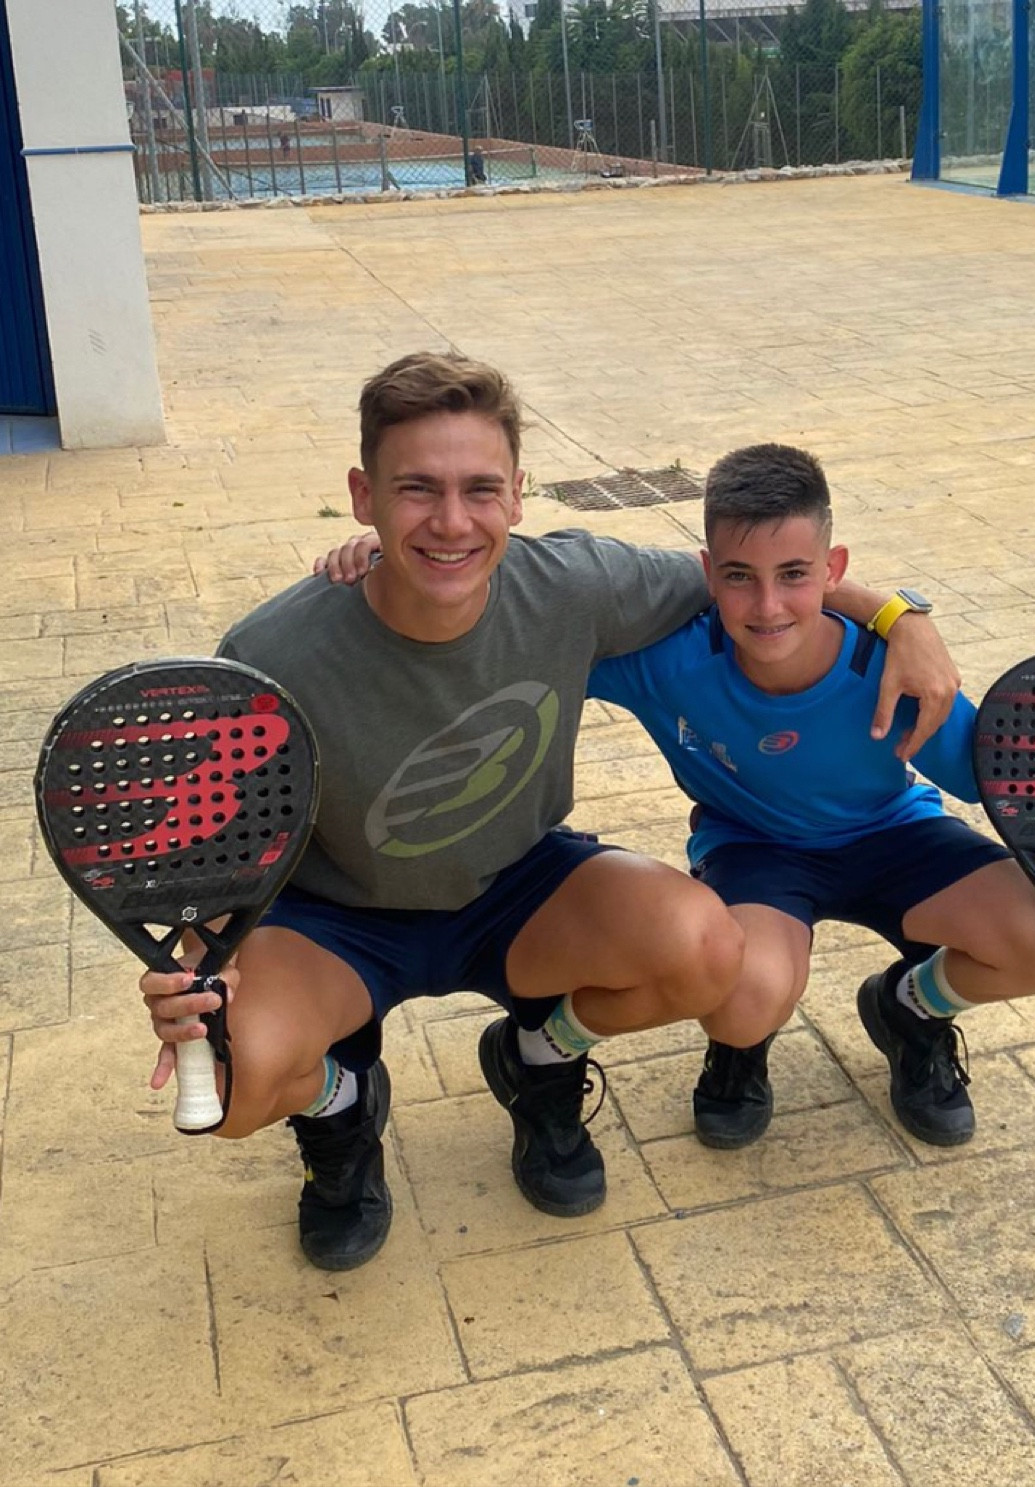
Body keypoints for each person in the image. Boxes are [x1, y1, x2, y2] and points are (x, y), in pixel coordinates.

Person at [141, 353, 960, 1275]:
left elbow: (755, 581)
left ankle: (537, 1057)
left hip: (518, 885)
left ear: (519, 495)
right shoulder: (272, 651)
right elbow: (214, 847)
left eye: (480, 489)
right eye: (417, 489)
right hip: (340, 920)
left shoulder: (573, 583)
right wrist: (198, 965)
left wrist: (901, 616)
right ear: (363, 497)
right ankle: (341, 1109)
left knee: (705, 950)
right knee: (231, 1078)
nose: (453, 521)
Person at [584, 443, 1035, 1148]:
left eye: (794, 574)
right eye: (740, 576)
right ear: (707, 573)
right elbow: (541, 652)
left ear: (833, 569)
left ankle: (910, 1010)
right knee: (744, 996)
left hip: (894, 836)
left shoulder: (892, 666)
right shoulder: (668, 662)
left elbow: (1006, 780)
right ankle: (740, 1049)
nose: (767, 605)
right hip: (753, 847)